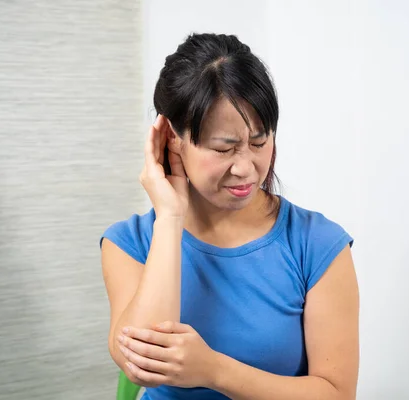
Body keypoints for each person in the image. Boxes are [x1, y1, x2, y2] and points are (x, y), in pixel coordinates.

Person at [100, 33, 359, 400]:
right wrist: (170, 218)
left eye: (259, 142)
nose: (245, 168)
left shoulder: (317, 244)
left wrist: (214, 370)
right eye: (224, 148)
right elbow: (143, 365)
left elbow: (337, 394)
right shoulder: (129, 242)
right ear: (172, 138)